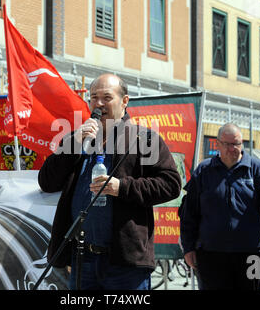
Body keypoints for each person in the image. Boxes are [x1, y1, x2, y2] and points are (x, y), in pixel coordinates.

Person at [38, 73, 182, 290]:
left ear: (125, 101)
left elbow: (170, 184)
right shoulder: (79, 139)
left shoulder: (143, 139)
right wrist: (75, 141)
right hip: (82, 258)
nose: (98, 103)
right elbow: (47, 181)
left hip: (124, 264)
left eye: (107, 97)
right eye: (94, 97)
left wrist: (122, 187)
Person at [179, 123, 260, 290]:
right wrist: (188, 247)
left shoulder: (256, 168)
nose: (233, 149)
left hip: (251, 255)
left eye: (237, 144)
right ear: (217, 144)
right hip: (211, 255)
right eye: (228, 144)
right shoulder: (204, 171)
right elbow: (189, 213)